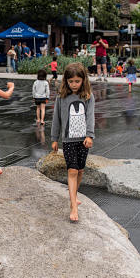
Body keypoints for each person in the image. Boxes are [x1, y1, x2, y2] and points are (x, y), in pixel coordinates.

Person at [51, 62, 95, 223]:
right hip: (68, 140)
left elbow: (90, 117)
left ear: (83, 80)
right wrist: (54, 138)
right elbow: (56, 119)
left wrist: (90, 135)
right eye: (71, 81)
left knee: (81, 170)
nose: (74, 84)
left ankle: (74, 196)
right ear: (66, 81)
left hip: (84, 140)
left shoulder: (88, 96)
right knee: (72, 171)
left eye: (77, 81)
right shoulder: (61, 97)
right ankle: (73, 206)